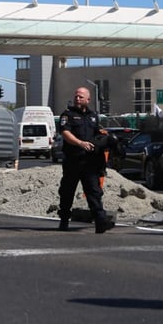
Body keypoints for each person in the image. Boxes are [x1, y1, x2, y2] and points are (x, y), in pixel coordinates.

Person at [56, 86, 116, 233]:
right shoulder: (68, 115)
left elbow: (97, 132)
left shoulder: (93, 116)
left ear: (88, 100)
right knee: (67, 191)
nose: (77, 98)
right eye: (76, 96)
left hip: (90, 162)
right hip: (73, 160)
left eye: (81, 97)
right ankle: (64, 220)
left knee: (94, 191)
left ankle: (100, 222)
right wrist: (80, 143)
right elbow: (65, 133)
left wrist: (105, 138)